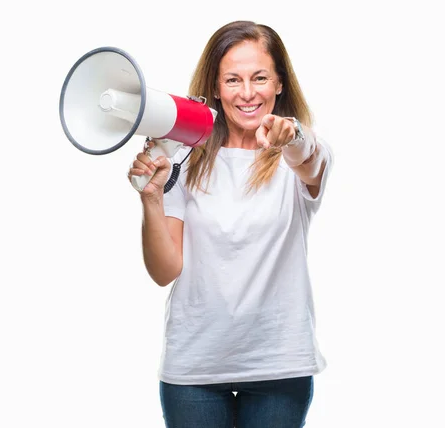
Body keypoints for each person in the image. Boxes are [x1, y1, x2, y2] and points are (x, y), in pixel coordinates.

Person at [127, 20, 333, 428]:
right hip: (194, 370)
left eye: (260, 78)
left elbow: (308, 157)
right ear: (217, 88)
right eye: (233, 80)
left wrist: (290, 136)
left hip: (278, 366)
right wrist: (151, 198)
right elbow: (164, 270)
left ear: (279, 84)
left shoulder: (301, 155)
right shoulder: (185, 157)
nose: (247, 92)